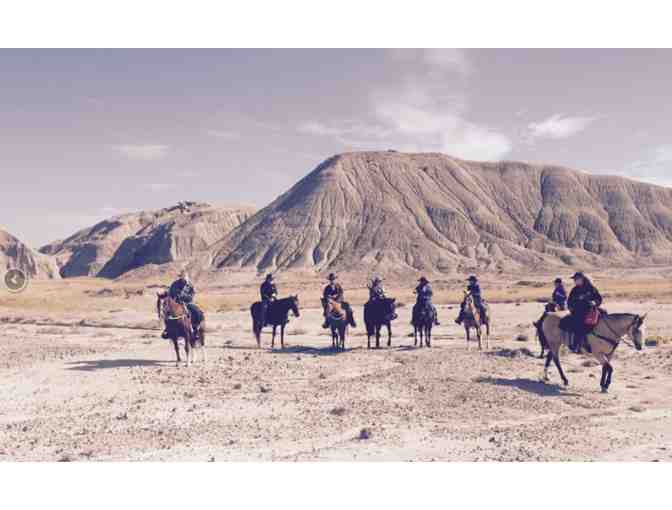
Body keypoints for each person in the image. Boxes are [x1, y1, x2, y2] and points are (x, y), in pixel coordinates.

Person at [566, 272, 603, 353]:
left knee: (604, 314)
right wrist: (571, 308)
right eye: (574, 279)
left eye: (576, 279)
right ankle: (577, 344)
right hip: (578, 311)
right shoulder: (574, 290)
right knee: (578, 324)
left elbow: (599, 298)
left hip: (591, 310)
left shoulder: (591, 288)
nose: (574, 281)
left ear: (582, 279)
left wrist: (595, 302)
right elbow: (569, 301)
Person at [163, 269, 203, 338]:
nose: (184, 277)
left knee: (196, 312)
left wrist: (184, 297)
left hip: (187, 303)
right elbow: (170, 293)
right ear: (180, 276)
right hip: (176, 303)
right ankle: (167, 330)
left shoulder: (190, 285)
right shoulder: (174, 284)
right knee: (167, 313)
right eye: (182, 276)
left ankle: (195, 328)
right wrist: (173, 299)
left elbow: (192, 295)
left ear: (187, 277)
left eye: (185, 276)